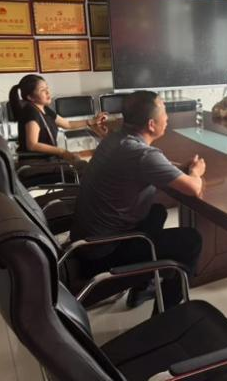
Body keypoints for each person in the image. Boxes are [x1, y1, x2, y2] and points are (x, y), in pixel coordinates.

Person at [71, 90, 204, 309]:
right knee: (191, 241)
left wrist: (176, 169)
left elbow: (151, 164)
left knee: (156, 212)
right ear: (151, 124)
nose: (167, 118)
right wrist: (196, 172)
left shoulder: (116, 138)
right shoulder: (142, 155)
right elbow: (193, 188)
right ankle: (165, 318)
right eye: (164, 112)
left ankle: (142, 286)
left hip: (84, 244)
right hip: (102, 253)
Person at [8, 74, 107, 162]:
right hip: (37, 164)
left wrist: (92, 121)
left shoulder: (44, 109)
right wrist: (62, 152)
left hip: (48, 159)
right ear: (30, 97)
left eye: (47, 88)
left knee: (89, 162)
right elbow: (32, 145)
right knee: (88, 165)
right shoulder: (31, 113)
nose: (48, 92)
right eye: (42, 90)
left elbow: (67, 124)